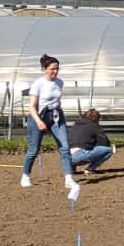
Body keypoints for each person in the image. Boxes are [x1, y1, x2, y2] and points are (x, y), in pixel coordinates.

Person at [20, 54, 78, 191]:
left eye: (57, 69)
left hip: (56, 115)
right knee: (34, 150)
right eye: (52, 69)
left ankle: (69, 178)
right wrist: (39, 122)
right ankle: (25, 175)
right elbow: (32, 106)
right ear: (44, 69)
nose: (55, 71)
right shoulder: (38, 84)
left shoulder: (59, 82)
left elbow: (56, 101)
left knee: (64, 147)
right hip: (39, 116)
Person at [63, 108, 116, 175]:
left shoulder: (74, 126)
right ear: (97, 119)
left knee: (75, 145)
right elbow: (105, 143)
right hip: (79, 156)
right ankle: (90, 169)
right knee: (109, 150)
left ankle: (71, 170)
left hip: (66, 157)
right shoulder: (94, 126)